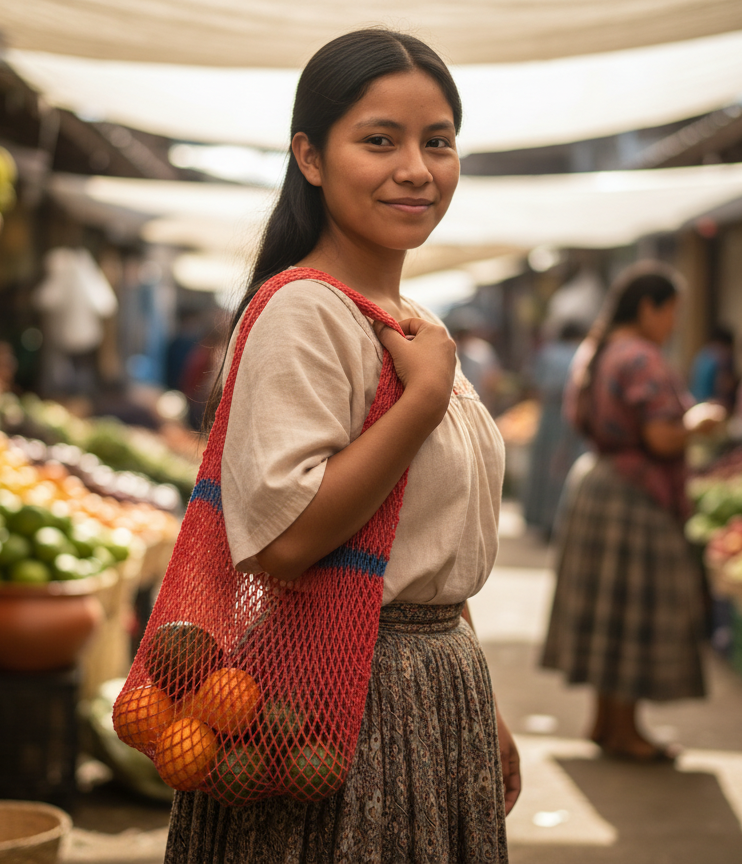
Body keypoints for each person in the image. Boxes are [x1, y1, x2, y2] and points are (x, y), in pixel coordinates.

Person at [168, 29, 519, 862]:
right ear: (311, 158)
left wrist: (482, 698)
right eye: (379, 140)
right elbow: (284, 544)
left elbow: (425, 532)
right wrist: (424, 401)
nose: (417, 169)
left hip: (435, 689)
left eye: (439, 142)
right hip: (343, 695)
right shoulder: (307, 313)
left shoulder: (411, 324)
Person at [540, 263, 724, 762]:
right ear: (648, 307)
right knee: (633, 611)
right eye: (672, 312)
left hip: (598, 482)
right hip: (634, 492)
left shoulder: (596, 351)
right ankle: (627, 731)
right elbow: (660, 435)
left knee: (608, 610)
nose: (674, 324)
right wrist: (699, 424)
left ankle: (606, 721)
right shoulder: (641, 357)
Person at [522, 320, 586, 539]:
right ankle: (563, 523)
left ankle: (542, 520)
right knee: (567, 468)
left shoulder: (547, 353)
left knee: (545, 467)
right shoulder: (583, 352)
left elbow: (535, 385)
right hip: (573, 418)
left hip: (550, 416)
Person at [688, 325, 736, 406]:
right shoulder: (721, 356)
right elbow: (724, 384)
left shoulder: (703, 353)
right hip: (711, 402)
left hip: (695, 400)